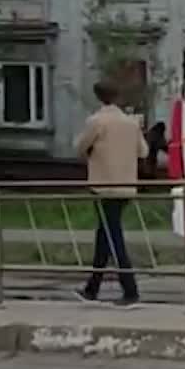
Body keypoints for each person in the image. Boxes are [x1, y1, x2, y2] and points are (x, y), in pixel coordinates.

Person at [74, 81, 148, 306]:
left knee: (113, 237)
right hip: (126, 186)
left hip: (103, 186)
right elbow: (143, 152)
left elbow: (79, 148)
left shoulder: (96, 121)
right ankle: (92, 289)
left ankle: (130, 290)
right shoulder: (130, 123)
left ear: (98, 97)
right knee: (104, 236)